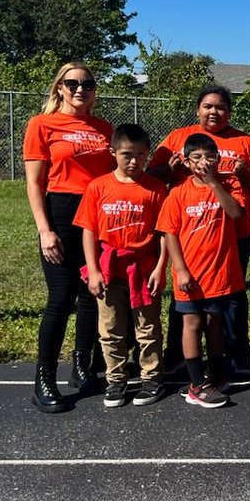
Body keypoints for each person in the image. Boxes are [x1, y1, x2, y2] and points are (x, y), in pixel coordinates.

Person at [150, 84, 250, 373]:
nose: (215, 111)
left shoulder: (244, 141)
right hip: (190, 233)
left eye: (221, 107)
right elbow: (150, 172)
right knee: (186, 294)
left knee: (231, 297)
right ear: (198, 109)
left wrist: (243, 172)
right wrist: (171, 170)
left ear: (229, 111)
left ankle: (235, 352)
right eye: (208, 106)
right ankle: (178, 354)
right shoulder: (179, 137)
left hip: (234, 233)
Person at [24, 61, 115, 412]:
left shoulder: (103, 128)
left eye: (87, 84)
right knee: (61, 298)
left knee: (92, 293)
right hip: (60, 211)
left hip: (96, 215)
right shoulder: (42, 124)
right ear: (59, 87)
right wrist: (44, 230)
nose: (80, 89)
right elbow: (34, 182)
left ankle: (82, 365)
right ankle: (43, 378)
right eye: (72, 83)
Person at [75, 124, 170, 408]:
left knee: (148, 326)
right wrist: (93, 269)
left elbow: (164, 232)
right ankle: (115, 379)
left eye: (140, 155)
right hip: (109, 268)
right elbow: (89, 230)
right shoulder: (98, 187)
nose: (133, 161)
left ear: (148, 155)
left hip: (143, 267)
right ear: (113, 152)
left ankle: (152, 377)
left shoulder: (155, 189)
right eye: (127, 154)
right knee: (110, 327)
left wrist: (160, 267)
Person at [157, 133, 246, 409]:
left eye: (209, 157)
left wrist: (213, 183)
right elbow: (169, 234)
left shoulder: (228, 185)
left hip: (220, 274)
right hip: (191, 276)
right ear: (185, 161)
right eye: (196, 157)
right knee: (192, 324)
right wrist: (180, 270)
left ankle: (216, 375)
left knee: (214, 324)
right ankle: (196, 384)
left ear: (218, 160)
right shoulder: (178, 193)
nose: (203, 162)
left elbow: (236, 214)